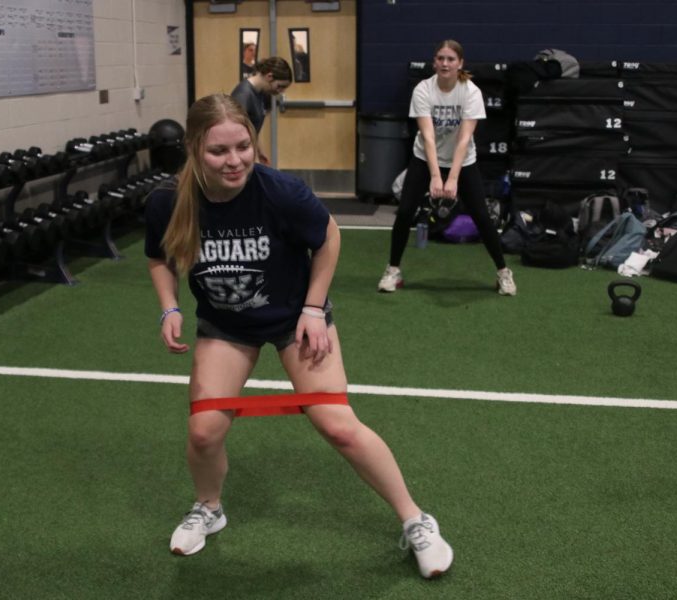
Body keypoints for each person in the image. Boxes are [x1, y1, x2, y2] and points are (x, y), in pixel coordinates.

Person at [145, 93, 453, 579]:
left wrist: (313, 308)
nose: (235, 161)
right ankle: (209, 507)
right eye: (218, 151)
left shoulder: (279, 190)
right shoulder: (168, 200)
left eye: (243, 146)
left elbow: (328, 237)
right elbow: (159, 257)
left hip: (294, 317)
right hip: (226, 324)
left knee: (337, 424)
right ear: (192, 148)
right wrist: (169, 307)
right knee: (204, 431)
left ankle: (416, 519)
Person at [378, 40, 517, 296]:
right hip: (425, 158)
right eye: (440, 58)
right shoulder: (423, 89)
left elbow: (464, 139)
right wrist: (434, 175)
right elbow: (428, 136)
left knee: (482, 216)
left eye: (450, 59)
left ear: (460, 63)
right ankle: (393, 270)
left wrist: (452, 178)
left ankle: (503, 272)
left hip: (463, 161)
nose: (445, 63)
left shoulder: (470, 92)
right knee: (406, 210)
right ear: (434, 62)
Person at [229, 57, 292, 165]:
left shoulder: (261, 93)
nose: (281, 91)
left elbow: (252, 128)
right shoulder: (243, 95)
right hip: (239, 157)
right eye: (280, 86)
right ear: (269, 77)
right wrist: (253, 159)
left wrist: (259, 151)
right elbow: (235, 135)